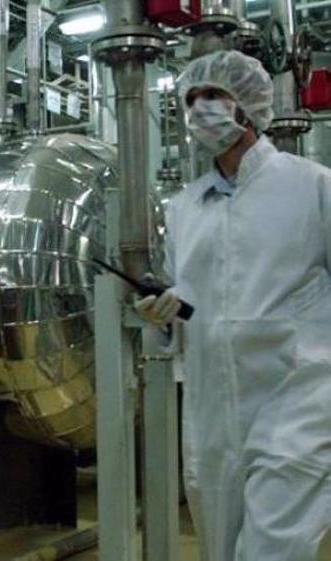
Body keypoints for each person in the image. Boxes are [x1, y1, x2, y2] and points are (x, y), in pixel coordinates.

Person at [134, 49, 331, 561]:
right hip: (211, 406)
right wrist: (162, 315)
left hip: (298, 395)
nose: (200, 109)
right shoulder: (184, 208)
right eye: (191, 98)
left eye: (214, 95)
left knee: (274, 546)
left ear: (249, 104)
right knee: (220, 547)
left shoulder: (311, 185)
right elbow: (180, 311)